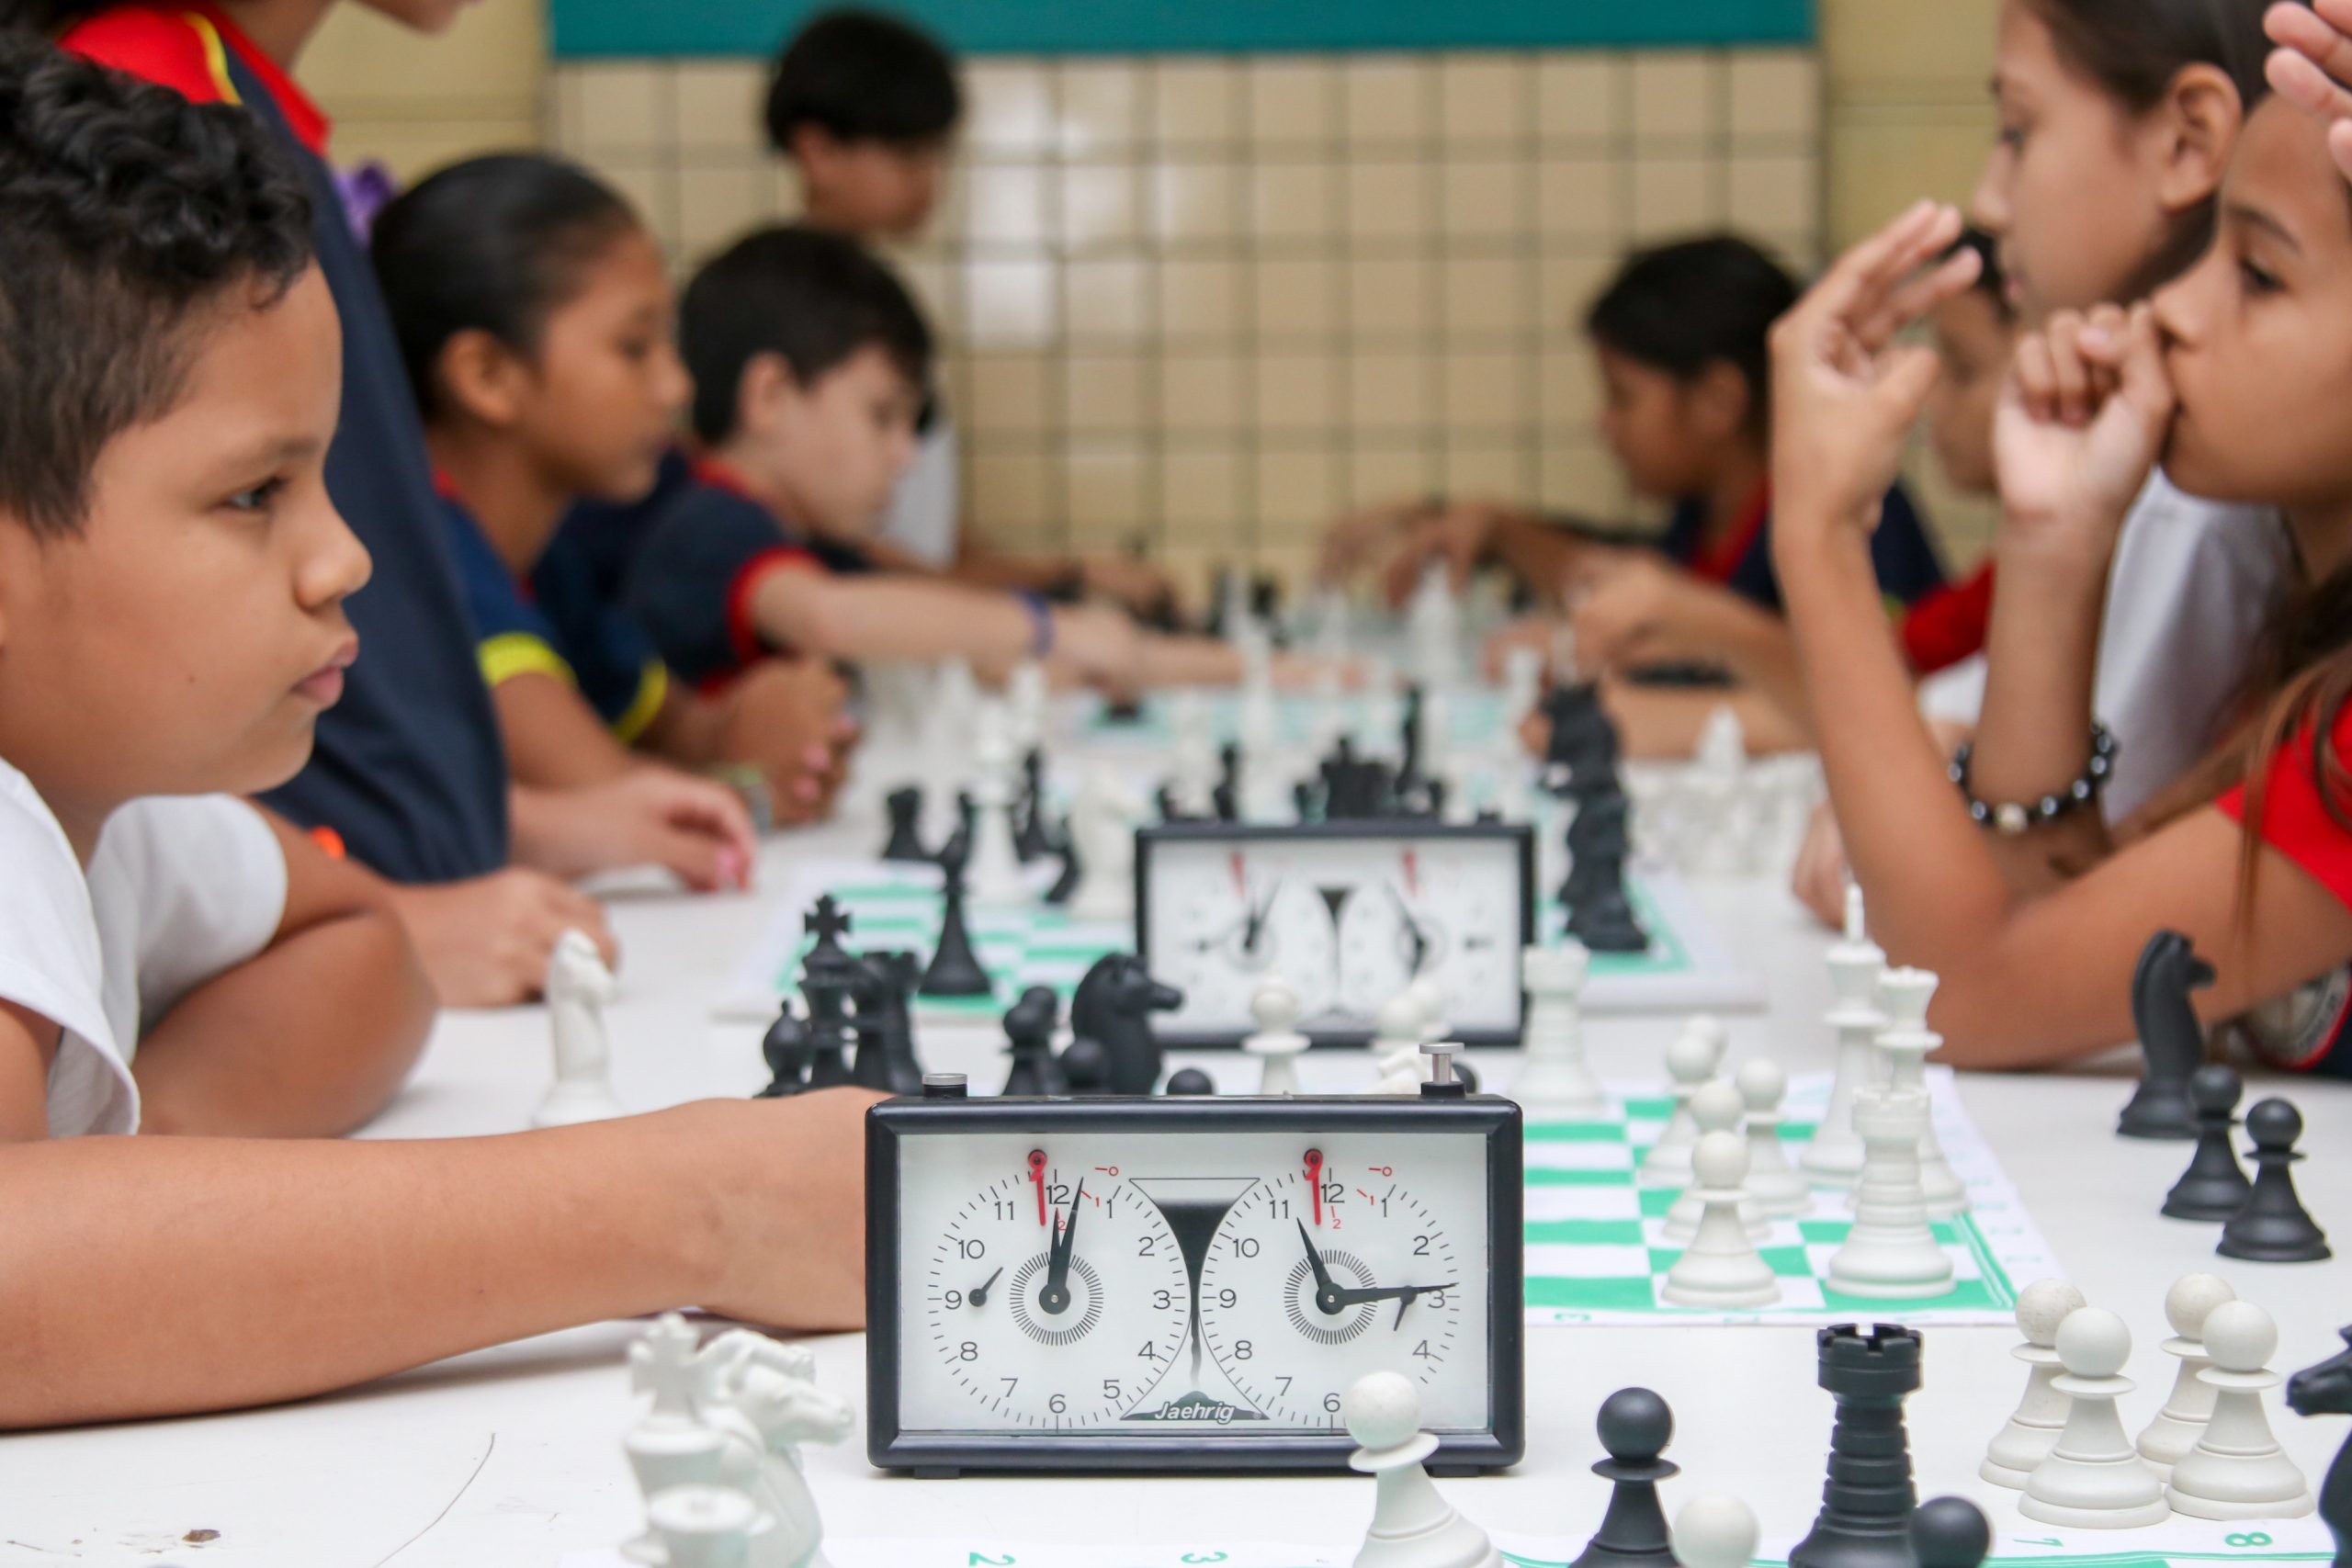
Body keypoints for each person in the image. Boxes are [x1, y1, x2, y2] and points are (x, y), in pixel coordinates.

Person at [0, 45, 874, 1428]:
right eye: (253, 494)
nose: (344, 556)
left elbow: (367, 948)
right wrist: (700, 1203)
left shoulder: (113, 804)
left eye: (324, 478)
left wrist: (147, 1192)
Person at [31, 0, 649, 1007]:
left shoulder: (245, 106)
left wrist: (507, 829)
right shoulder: (143, 100)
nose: (343, 559)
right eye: (253, 495)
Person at [1769, 72, 2352, 1073]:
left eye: (2258, 274)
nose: (2170, 309)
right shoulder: (2298, 652)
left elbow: (1970, 991)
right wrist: (2054, 542)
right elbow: (2049, 929)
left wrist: (1818, 535)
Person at [372, 153, 854, 850]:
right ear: (487, 375)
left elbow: (687, 732)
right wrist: (755, 788)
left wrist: (765, 719)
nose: (676, 387)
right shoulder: (426, 557)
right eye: (634, 347)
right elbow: (615, 806)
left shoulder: (543, 555)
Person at [1326, 236, 1947, 758]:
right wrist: (1493, 528)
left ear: (1718, 401)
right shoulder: (1706, 515)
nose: (1603, 424)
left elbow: (1888, 692)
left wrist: (1693, 624)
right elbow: (1611, 574)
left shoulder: (1862, 512)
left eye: (1622, 397)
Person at [624, 224, 1290, 694]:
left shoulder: (817, 550)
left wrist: (1273, 672)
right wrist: (1048, 629)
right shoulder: (708, 522)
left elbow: (966, 638)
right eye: (881, 416)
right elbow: (833, 618)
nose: (904, 456)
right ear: (770, 397)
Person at [763, 6, 1181, 618]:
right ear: (817, 150)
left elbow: (928, 536)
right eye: (909, 156)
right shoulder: (779, 307)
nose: (932, 182)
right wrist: (1053, 590)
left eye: (940, 156)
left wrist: (1059, 579)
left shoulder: (878, 301)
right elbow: (843, 552)